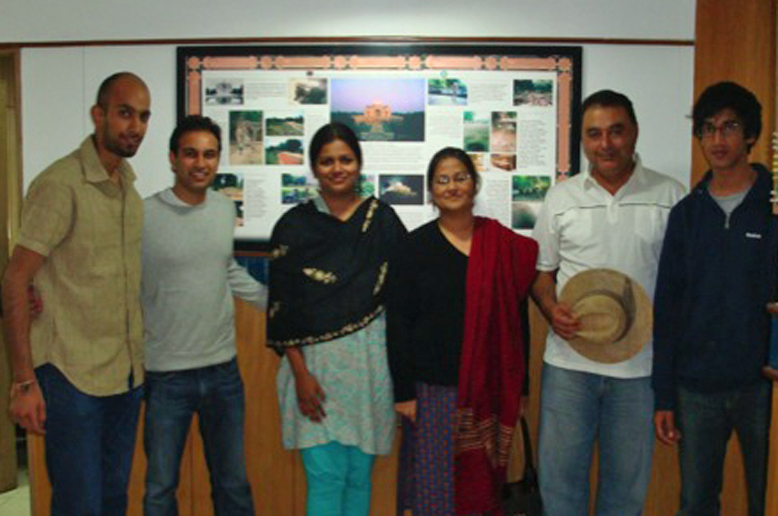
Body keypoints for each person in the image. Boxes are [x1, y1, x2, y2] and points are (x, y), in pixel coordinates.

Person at [2, 72, 151, 516]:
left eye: (143, 116)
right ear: (98, 115)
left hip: (125, 378)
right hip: (71, 379)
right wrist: (24, 381)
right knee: (78, 506)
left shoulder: (130, 190)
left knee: (112, 502)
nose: (135, 126)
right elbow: (14, 278)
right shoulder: (60, 184)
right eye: (125, 113)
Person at [531, 89, 685, 516]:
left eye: (616, 131)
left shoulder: (671, 196)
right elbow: (542, 274)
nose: (606, 144)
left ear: (634, 133)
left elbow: (681, 285)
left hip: (640, 371)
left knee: (625, 493)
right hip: (568, 368)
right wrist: (549, 308)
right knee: (559, 489)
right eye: (594, 134)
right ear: (582, 140)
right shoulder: (561, 198)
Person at [387, 147, 538, 515]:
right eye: (443, 179)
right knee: (433, 494)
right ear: (431, 191)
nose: (452, 186)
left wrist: (521, 387)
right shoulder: (413, 248)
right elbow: (398, 324)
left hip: (490, 390)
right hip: (432, 391)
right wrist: (405, 392)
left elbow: (518, 320)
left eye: (460, 177)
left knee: (480, 493)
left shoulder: (500, 246)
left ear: (475, 184)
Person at [267, 122, 406, 516]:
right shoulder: (293, 227)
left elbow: (405, 298)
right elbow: (281, 309)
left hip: (369, 368)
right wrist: (300, 374)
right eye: (327, 161)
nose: (337, 168)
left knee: (359, 478)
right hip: (314, 373)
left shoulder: (382, 222)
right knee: (325, 479)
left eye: (345, 159)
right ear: (314, 168)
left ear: (359, 164)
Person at [653, 81, 776, 516]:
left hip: (763, 386)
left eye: (729, 127)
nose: (717, 140)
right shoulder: (687, 214)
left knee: (769, 500)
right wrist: (663, 396)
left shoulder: (773, 207)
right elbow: (666, 308)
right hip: (696, 386)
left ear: (751, 135)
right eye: (707, 129)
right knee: (696, 503)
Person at [141, 115, 266, 516]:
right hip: (166, 375)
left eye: (210, 154)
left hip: (223, 373)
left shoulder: (223, 209)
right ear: (173, 159)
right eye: (191, 154)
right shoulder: (143, 215)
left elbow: (223, 267)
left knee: (233, 486)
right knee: (160, 490)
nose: (201, 163)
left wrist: (275, 303)